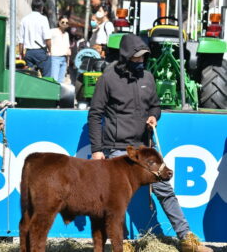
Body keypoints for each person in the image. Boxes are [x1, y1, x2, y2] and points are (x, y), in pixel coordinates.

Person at [88, 33, 212, 252]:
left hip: (146, 150)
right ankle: (121, 243)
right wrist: (97, 151)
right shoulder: (107, 78)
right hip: (118, 150)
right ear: (126, 56)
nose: (140, 61)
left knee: (165, 190)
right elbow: (95, 114)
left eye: (143, 57)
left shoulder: (148, 77)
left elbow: (155, 106)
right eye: (136, 58)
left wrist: (155, 116)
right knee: (117, 200)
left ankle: (187, 239)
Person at [18, 0, 51, 77]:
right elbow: (47, 38)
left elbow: (21, 41)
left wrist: (21, 54)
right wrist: (50, 50)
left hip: (28, 53)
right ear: (41, 7)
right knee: (46, 76)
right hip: (41, 53)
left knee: (30, 76)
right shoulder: (43, 19)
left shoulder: (24, 20)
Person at [50, 15, 71, 83]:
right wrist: (49, 51)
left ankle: (58, 93)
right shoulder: (53, 31)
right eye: (63, 22)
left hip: (64, 59)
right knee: (54, 80)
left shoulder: (67, 34)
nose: (65, 24)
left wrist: (67, 61)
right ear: (59, 22)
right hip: (55, 58)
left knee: (61, 81)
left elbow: (67, 47)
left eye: (66, 23)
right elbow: (46, 41)